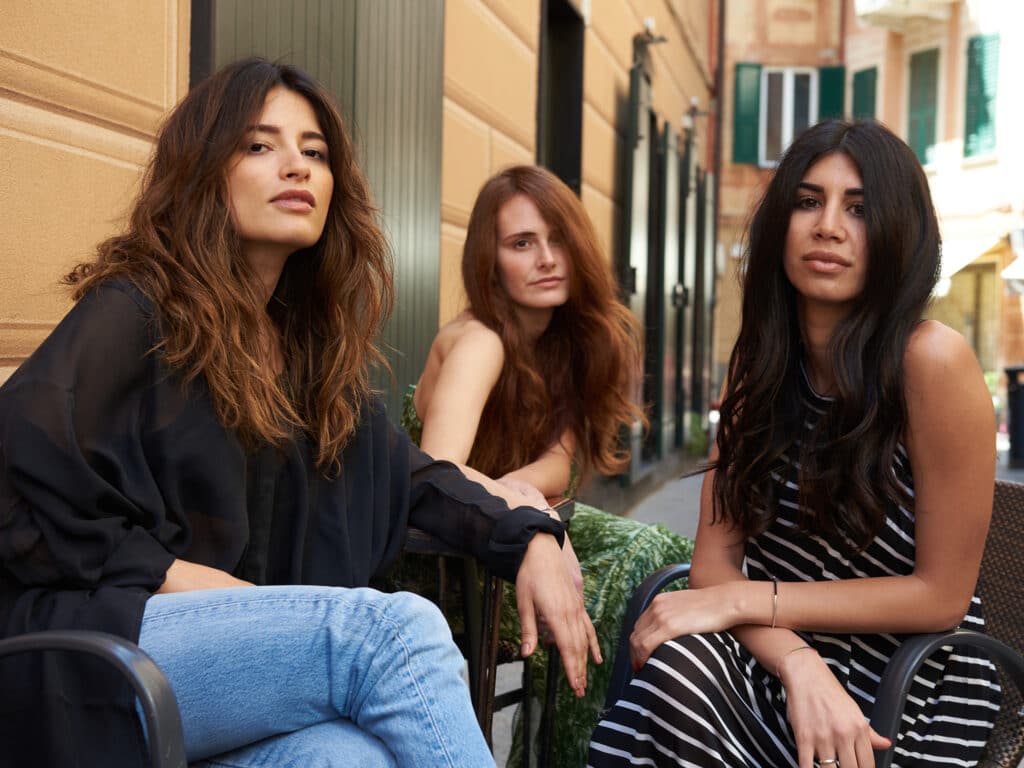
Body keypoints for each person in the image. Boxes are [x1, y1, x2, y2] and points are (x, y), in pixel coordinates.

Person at [0, 58, 600, 768]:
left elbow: (413, 479)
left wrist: (527, 536)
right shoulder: (136, 309)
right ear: (203, 169)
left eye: (314, 153)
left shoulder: (304, 356)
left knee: (347, 757)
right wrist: (162, 569)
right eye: (260, 146)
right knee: (396, 632)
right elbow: (13, 467)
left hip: (214, 676)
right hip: (97, 658)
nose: (297, 166)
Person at [588, 119, 1002, 768]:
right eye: (808, 201)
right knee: (679, 662)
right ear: (781, 222)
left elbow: (941, 594)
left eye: (859, 209)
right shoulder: (759, 366)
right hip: (781, 655)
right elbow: (715, 568)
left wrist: (746, 601)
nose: (828, 225)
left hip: (903, 687)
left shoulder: (931, 361)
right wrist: (798, 661)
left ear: (898, 233)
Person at [400, 165, 693, 768]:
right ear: (491, 261)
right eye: (521, 244)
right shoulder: (481, 340)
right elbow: (440, 469)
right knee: (627, 577)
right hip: (438, 561)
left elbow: (558, 467)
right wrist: (530, 520)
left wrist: (524, 504)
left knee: (664, 558)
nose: (546, 258)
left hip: (500, 533)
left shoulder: (567, 343)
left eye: (557, 239)